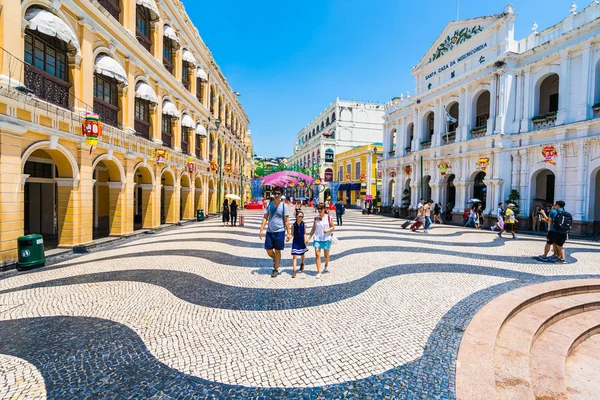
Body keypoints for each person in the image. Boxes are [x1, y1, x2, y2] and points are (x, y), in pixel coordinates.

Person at [259, 187, 291, 278]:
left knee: (277, 251)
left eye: (278, 194)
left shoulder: (284, 206)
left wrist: (288, 233)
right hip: (270, 231)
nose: (277, 195)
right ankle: (276, 259)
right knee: (268, 250)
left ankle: (275, 269)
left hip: (280, 231)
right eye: (275, 193)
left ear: (281, 195)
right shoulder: (269, 205)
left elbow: (287, 221)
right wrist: (261, 229)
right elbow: (265, 217)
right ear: (273, 194)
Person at [307, 203, 335, 279]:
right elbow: (313, 228)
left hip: (326, 238)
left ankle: (326, 264)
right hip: (317, 238)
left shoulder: (329, 217)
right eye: (318, 208)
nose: (319, 210)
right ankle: (319, 272)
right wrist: (309, 237)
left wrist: (327, 230)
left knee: (326, 255)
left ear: (324, 209)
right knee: (317, 254)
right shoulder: (316, 218)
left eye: (321, 209)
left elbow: (333, 227)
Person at [289, 211, 308, 278]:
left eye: (302, 217)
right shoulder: (293, 225)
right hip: (295, 242)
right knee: (294, 256)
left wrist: (306, 239)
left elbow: (305, 233)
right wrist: (288, 238)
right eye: (299, 216)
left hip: (301, 241)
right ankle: (294, 271)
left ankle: (302, 263)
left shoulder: (304, 224)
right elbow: (292, 234)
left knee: (302, 254)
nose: (301, 218)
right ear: (296, 217)